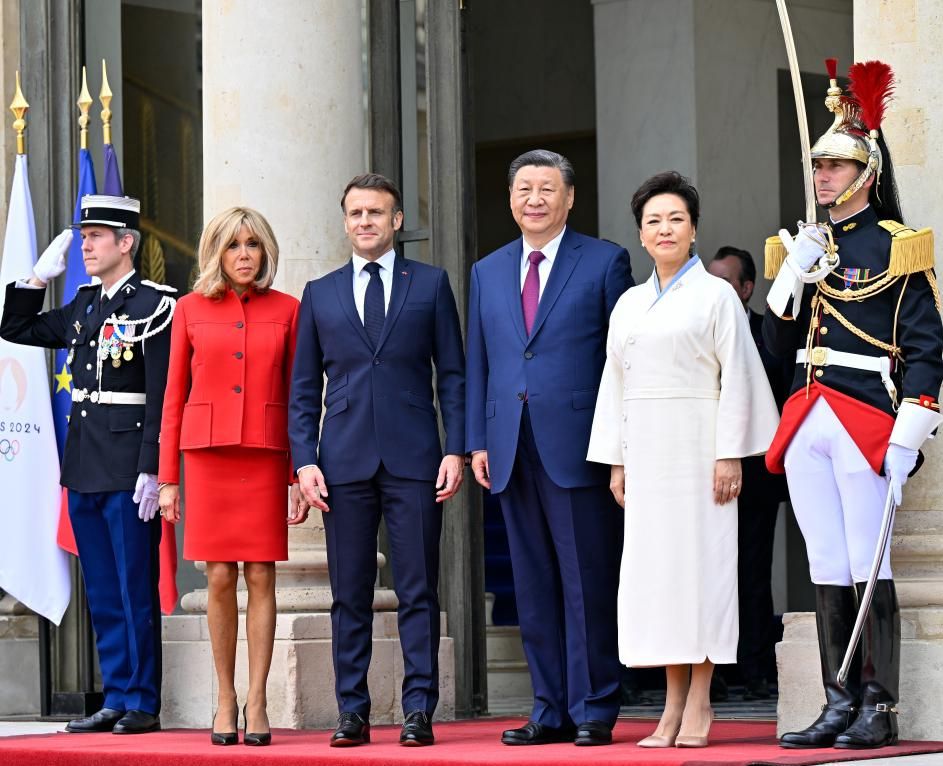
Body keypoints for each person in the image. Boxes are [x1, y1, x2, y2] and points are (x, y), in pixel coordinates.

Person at [764, 60, 943, 750]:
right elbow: (778, 345)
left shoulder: (896, 247)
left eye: (835, 167)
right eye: (818, 167)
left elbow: (926, 346)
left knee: (871, 566)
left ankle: (878, 703)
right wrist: (795, 273)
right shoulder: (803, 246)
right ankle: (837, 700)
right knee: (825, 564)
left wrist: (911, 428)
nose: (822, 177)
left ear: (865, 174)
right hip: (807, 412)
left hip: (866, 413)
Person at [588, 171, 779, 748]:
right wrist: (617, 462)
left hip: (701, 455)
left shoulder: (717, 296)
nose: (665, 229)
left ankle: (700, 700)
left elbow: (741, 378)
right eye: (654, 222)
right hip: (647, 455)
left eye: (676, 219)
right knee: (658, 580)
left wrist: (730, 455)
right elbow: (614, 385)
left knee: (705, 574)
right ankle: (669, 704)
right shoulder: (628, 304)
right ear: (641, 237)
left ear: (693, 230)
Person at [288, 173, 465, 748]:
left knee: (419, 589)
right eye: (356, 213)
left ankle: (418, 709)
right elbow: (302, 390)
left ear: (395, 222)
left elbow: (454, 377)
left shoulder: (432, 285)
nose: (365, 221)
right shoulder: (320, 293)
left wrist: (456, 447)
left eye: (377, 213)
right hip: (341, 463)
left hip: (416, 457)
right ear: (345, 222)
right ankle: (352, 712)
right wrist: (303, 461)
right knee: (349, 593)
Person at [466, 149, 633, 747]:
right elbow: (478, 362)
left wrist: (620, 442)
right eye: (523, 188)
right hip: (509, 445)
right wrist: (474, 441)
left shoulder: (605, 261)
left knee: (586, 580)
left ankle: (594, 707)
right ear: (511, 199)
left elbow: (622, 361)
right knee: (533, 582)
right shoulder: (487, 270)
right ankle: (548, 707)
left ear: (569, 198)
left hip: (579, 444)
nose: (534, 198)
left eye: (546, 188)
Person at [0, 195, 174, 734]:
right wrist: (33, 280)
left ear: (126, 243)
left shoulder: (157, 305)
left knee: (132, 587)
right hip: (83, 464)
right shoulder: (83, 304)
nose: (86, 244)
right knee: (101, 588)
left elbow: (162, 392)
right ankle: (116, 694)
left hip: (128, 466)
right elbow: (16, 329)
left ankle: (143, 700)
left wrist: (154, 466)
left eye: (97, 235)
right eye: (85, 234)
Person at [157, 207, 303, 747]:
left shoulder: (289, 310)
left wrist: (296, 474)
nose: (244, 255)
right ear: (215, 252)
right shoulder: (190, 310)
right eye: (233, 245)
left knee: (262, 575)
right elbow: (173, 396)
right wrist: (166, 477)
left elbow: (298, 396)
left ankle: (259, 699)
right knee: (218, 576)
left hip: (266, 454)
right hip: (207, 455)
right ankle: (225, 698)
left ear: (266, 252)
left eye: (253, 245)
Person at [708, 246, 792, 700]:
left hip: (757, 478)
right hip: (702, 478)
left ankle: (757, 668)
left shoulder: (768, 335)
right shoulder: (695, 328)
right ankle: (713, 672)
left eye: (725, 282)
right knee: (710, 573)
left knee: (754, 573)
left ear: (746, 288)